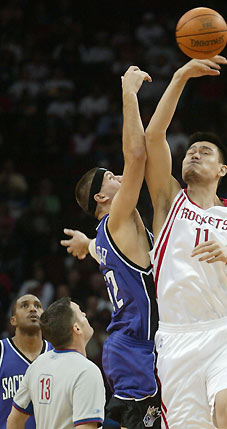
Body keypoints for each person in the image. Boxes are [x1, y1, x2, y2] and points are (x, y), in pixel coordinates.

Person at [144, 56, 227, 429]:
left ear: (222, 170)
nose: (194, 153)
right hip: (176, 340)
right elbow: (153, 137)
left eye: (205, 151)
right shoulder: (168, 200)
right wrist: (181, 75)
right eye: (190, 150)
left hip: (225, 332)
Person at [61, 66, 161, 429]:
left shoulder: (107, 235)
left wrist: (86, 244)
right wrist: (129, 94)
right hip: (133, 348)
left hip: (137, 347)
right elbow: (136, 156)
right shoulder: (118, 220)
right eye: (111, 178)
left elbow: (104, 252)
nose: (120, 176)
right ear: (103, 197)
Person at [6, 297, 105, 429]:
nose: (85, 314)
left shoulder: (37, 364)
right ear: (77, 328)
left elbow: (14, 421)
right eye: (80, 312)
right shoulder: (87, 371)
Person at [0, 294, 52, 429]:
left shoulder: (57, 353)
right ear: (13, 320)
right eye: (25, 305)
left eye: (37, 306)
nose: (33, 309)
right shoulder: (1, 351)